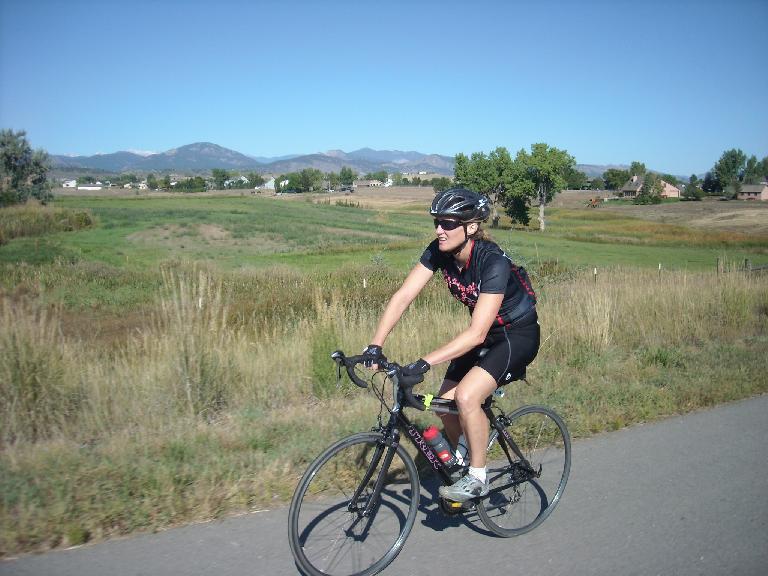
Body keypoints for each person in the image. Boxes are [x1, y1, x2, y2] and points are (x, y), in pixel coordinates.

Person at [362, 187, 540, 502]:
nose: (439, 230)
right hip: (485, 333)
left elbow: (476, 334)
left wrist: (423, 362)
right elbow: (404, 296)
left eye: (447, 223)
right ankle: (464, 457)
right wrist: (375, 345)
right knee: (445, 404)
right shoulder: (439, 251)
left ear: (471, 227)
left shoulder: (492, 262)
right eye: (436, 222)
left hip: (517, 335)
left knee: (468, 397)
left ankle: (477, 477)